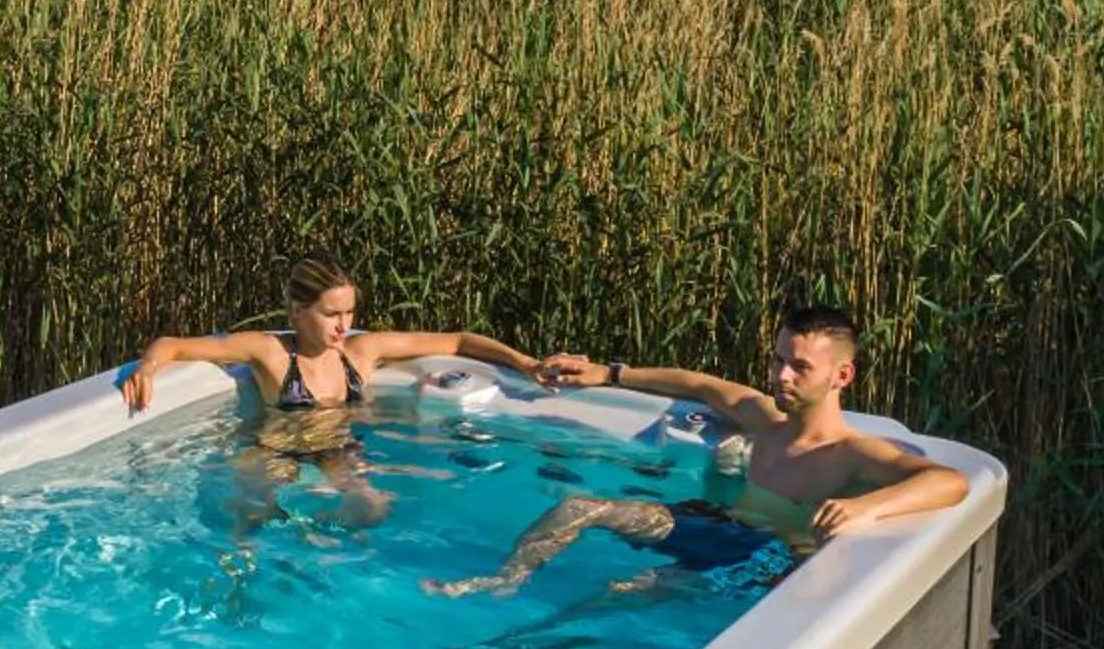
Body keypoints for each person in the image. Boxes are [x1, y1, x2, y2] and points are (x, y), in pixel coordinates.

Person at [425, 304, 967, 598]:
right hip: (714, 523)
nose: (781, 375)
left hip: (759, 556)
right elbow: (700, 385)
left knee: (619, 593)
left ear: (842, 375)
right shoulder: (764, 418)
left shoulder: (852, 454)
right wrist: (608, 374)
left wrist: (865, 507)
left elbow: (950, 481)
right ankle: (504, 581)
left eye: (800, 366)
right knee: (577, 507)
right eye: (778, 359)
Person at [120, 256, 543, 533]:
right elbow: (172, 344)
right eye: (331, 314)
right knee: (251, 516)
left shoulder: (360, 353)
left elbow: (458, 341)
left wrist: (526, 363)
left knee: (372, 509)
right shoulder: (270, 352)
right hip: (276, 451)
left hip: (338, 451)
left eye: (349, 312)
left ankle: (310, 535)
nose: (344, 325)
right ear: (298, 310)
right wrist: (148, 368)